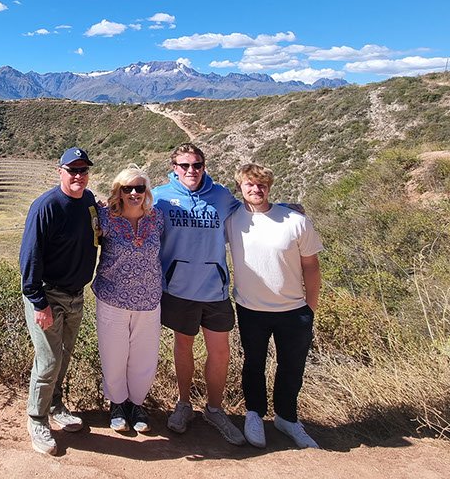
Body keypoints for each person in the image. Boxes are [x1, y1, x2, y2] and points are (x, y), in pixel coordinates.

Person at [152, 143, 246, 445]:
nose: (191, 170)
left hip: (215, 288)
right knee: (183, 347)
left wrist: (284, 208)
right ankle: (183, 404)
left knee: (220, 352)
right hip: (179, 289)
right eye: (184, 165)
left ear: (204, 166)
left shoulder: (221, 196)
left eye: (197, 165)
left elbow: (251, 211)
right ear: (174, 168)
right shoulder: (160, 197)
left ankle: (215, 409)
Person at [226, 163, 323, 450]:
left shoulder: (295, 221)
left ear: (269, 187)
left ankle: (287, 418)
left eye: (262, 185)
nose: (256, 189)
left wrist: (310, 307)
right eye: (250, 184)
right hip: (250, 308)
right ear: (240, 187)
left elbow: (311, 266)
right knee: (253, 364)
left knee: (292, 367)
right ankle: (254, 414)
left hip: (293, 310)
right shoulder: (231, 220)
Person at [19, 146, 103, 456]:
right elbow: (29, 257)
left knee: (64, 356)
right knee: (49, 361)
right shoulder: (46, 207)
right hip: (48, 295)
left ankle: (54, 405)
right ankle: (37, 419)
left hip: (76, 295)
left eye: (83, 170)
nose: (79, 175)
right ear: (60, 172)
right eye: (72, 170)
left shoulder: (89, 201)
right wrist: (38, 303)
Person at [92, 164, 164, 433]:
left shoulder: (157, 218)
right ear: (118, 192)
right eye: (127, 188)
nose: (134, 193)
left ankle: (137, 404)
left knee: (144, 357)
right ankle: (117, 404)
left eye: (139, 188)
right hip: (112, 298)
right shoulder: (105, 217)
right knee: (114, 355)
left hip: (149, 299)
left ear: (146, 191)